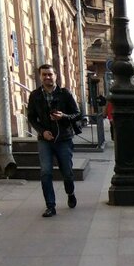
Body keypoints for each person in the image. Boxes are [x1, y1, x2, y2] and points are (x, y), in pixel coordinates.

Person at [27, 64, 80, 217]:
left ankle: (70, 193)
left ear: (55, 76)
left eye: (50, 74)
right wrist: (42, 132)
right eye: (44, 75)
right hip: (45, 140)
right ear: (40, 76)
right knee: (45, 172)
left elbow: (77, 114)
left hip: (63, 138)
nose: (47, 77)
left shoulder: (65, 94)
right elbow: (31, 117)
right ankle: (50, 206)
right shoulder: (35, 95)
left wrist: (62, 116)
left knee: (67, 173)